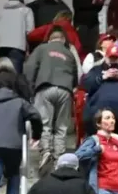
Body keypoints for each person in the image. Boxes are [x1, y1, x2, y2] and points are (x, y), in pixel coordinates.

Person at [24, 28, 79, 166]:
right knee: (61, 126)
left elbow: (29, 69)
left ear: (50, 40)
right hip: (65, 90)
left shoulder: (41, 49)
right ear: (64, 41)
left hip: (45, 87)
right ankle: (59, 156)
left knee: (44, 123)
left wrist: (30, 90)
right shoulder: (69, 53)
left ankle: (45, 152)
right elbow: (76, 75)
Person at [82, 43, 118, 151]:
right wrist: (103, 77)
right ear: (106, 57)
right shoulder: (96, 70)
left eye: (116, 58)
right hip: (97, 115)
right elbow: (86, 85)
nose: (113, 61)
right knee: (97, 147)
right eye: (111, 58)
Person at [0, 0, 34, 73]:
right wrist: (29, 50)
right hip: (17, 48)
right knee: (15, 75)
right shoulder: (26, 11)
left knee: (1, 74)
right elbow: (30, 32)